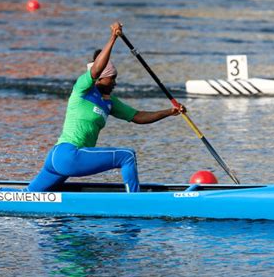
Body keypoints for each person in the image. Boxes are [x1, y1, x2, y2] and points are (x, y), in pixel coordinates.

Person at [28, 22, 185, 193]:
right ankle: (136, 201)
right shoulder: (82, 89)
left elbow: (138, 117)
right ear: (101, 78)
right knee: (127, 156)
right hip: (68, 154)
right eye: (112, 78)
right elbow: (95, 70)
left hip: (58, 159)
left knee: (29, 196)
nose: (115, 83)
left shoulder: (110, 102)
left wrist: (169, 112)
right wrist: (113, 38)